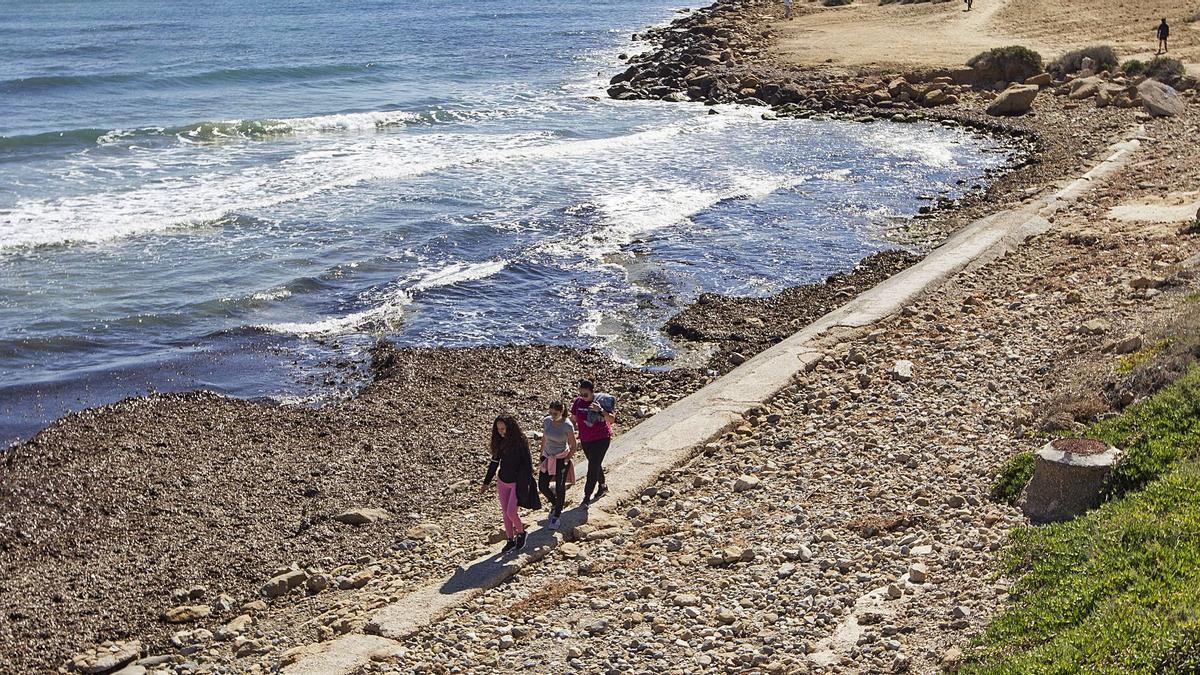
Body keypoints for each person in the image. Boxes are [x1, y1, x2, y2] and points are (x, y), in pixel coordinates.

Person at [480, 415, 539, 553]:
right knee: (505, 513)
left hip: (516, 482)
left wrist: (526, 482)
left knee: (512, 512)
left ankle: (521, 533)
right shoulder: (499, 442)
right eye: (498, 429)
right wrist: (486, 482)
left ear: (510, 427)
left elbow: (528, 464)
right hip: (502, 481)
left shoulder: (521, 442)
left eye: (503, 429)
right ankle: (510, 540)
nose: (501, 432)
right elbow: (494, 463)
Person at [571, 379, 616, 505]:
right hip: (586, 439)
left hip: (601, 438)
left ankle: (587, 496)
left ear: (592, 393)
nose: (583, 397)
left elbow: (611, 419)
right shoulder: (578, 402)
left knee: (592, 467)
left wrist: (600, 410)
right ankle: (602, 486)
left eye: (586, 395)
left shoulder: (601, 402)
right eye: (581, 394)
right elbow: (573, 418)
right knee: (595, 464)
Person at [538, 401, 577, 530]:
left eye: (555, 413)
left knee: (560, 487)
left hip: (561, 457)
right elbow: (545, 437)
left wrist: (567, 459)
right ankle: (555, 503)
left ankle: (557, 515)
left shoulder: (567, 425)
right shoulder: (547, 421)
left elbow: (573, 445)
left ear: (561, 412)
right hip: (548, 456)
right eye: (551, 413)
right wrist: (541, 455)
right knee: (542, 485)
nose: (552, 415)